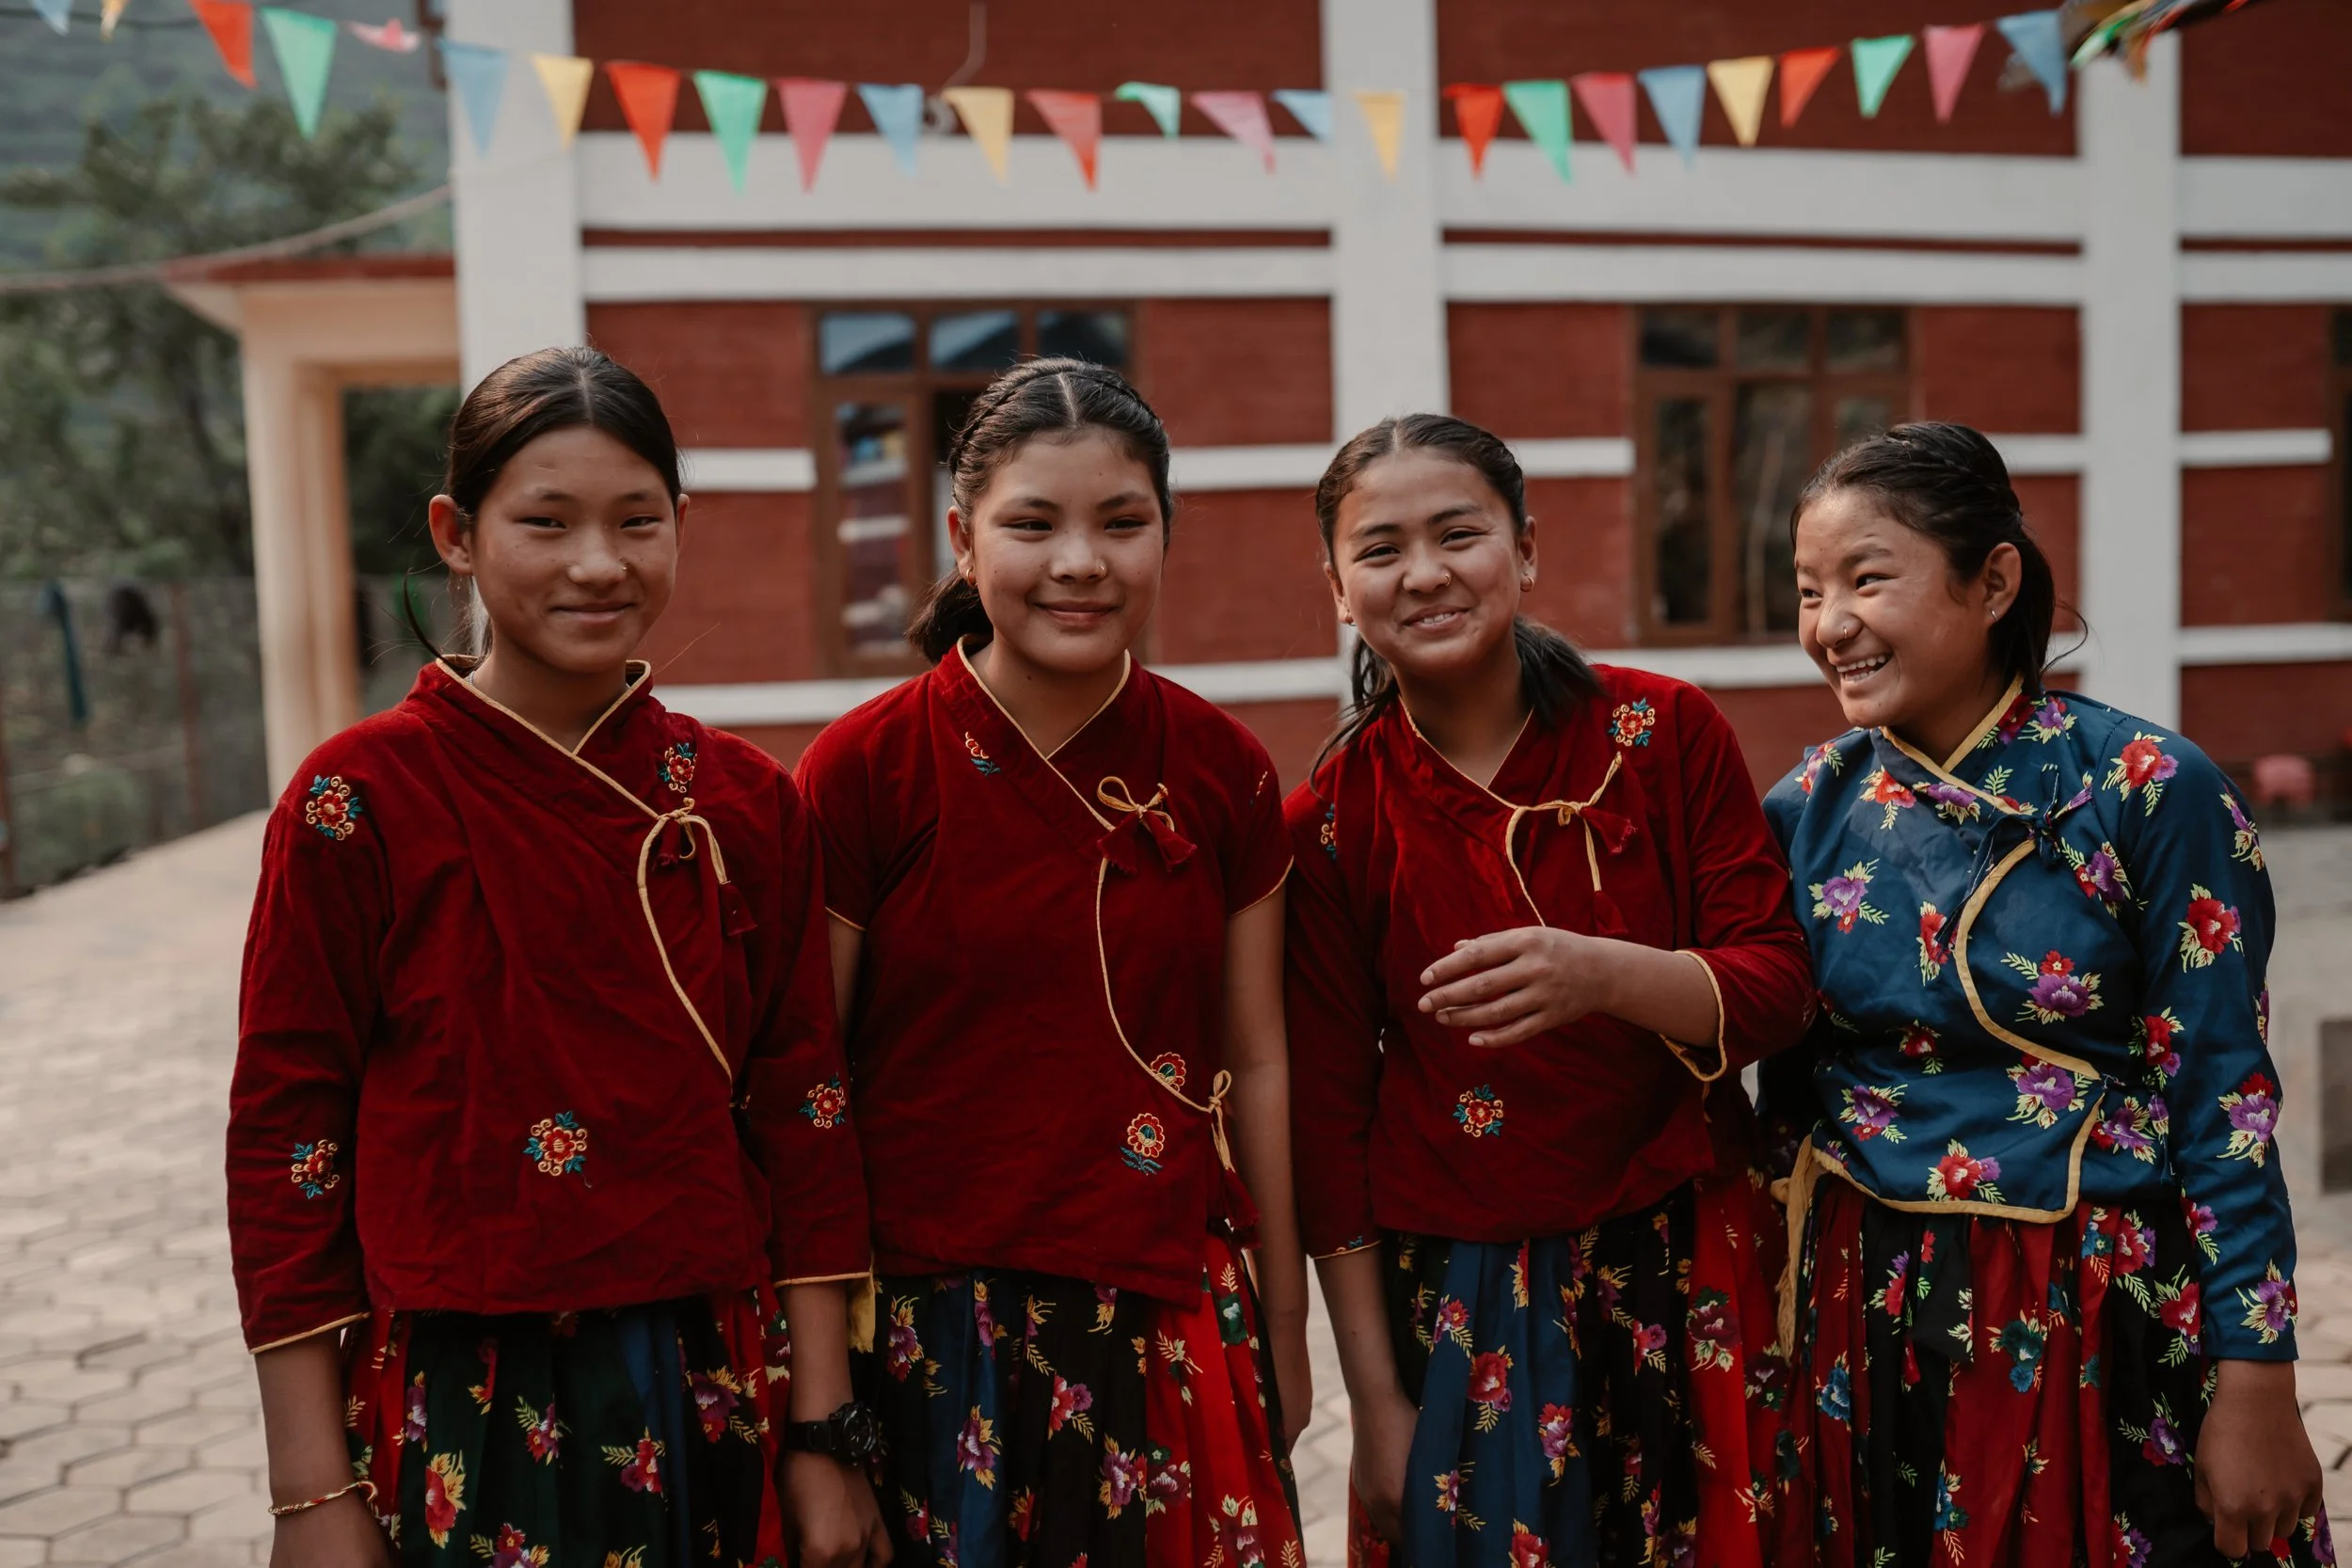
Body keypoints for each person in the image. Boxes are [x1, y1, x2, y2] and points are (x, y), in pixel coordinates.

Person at [228, 347, 888, 1568]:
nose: (599, 562)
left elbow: (806, 1108)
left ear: (680, 527)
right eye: (546, 520)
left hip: (711, 1372)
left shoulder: (746, 803)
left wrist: (825, 1431)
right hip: (462, 1386)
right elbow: (288, 1139)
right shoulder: (355, 801)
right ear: (458, 533)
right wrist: (310, 1491)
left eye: (638, 521)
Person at [1761, 420, 2329, 1568]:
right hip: (1866, 1313)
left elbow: (2224, 1094)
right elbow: (1785, 1092)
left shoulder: (2144, 789)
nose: (1829, 626)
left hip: (2099, 1309)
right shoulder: (1805, 808)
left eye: (1867, 578)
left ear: (1994, 580)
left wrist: (2258, 1374)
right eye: (1808, 590)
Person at [794, 358, 1311, 1568]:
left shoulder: (1223, 766)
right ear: (965, 539)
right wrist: (818, 1405)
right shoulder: (864, 769)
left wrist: (1284, 1332)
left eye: (1122, 523)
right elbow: (806, 1088)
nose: (1081, 561)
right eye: (1034, 523)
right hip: (933, 1330)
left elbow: (1262, 1060)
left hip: (1170, 1308)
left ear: (1165, 536)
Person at [1284, 414, 1817, 1568]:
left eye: (1457, 533)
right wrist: (1375, 1403)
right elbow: (1326, 1121)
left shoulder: (1661, 732)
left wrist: (1605, 973)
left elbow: (1777, 985)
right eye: (1379, 550)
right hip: (1459, 1285)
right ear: (1336, 587)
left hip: (1684, 1250)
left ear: (1525, 549)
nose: (1422, 573)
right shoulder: (1329, 817)